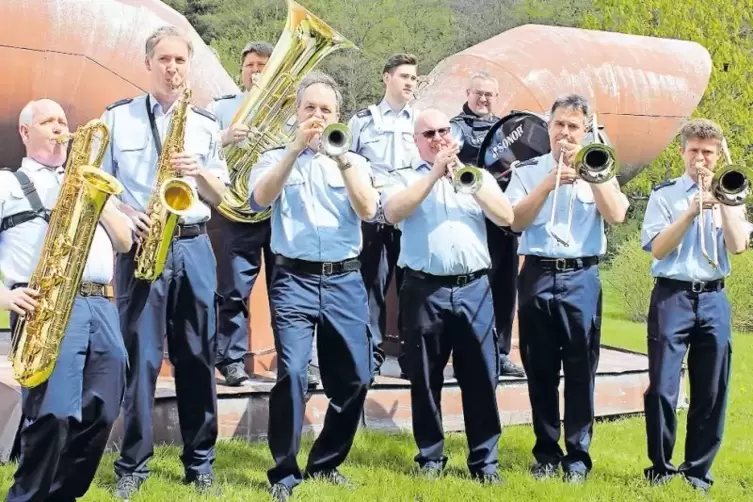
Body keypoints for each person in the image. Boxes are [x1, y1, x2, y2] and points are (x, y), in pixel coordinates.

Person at [98, 25, 229, 498]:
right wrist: (125, 213)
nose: (172, 68)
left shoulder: (207, 124)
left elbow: (223, 195)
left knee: (198, 357)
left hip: (193, 244)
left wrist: (200, 173)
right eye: (164, 60)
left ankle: (200, 464)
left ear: (188, 65)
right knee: (140, 360)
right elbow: (101, 187)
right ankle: (132, 465)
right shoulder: (118, 119)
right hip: (141, 246)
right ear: (149, 63)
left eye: (180, 61)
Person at [248, 71, 378, 501]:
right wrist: (292, 151)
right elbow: (261, 198)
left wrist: (340, 158)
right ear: (297, 112)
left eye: (326, 110)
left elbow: (368, 207)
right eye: (310, 108)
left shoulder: (354, 161)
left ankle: (325, 463)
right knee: (291, 373)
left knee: (356, 377)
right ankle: (285, 474)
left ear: (337, 115)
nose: (317, 116)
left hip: (344, 279)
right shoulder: (274, 155)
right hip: (293, 279)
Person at [0, 99, 131, 501]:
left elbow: (125, 241)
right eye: (47, 121)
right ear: (25, 132)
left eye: (62, 120)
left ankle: (61, 495)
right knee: (54, 414)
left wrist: (97, 194)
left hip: (100, 305)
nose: (59, 128)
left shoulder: (90, 181)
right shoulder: (6, 184)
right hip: (48, 305)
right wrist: (5, 296)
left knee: (104, 413)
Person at [381, 108, 513, 482]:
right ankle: (431, 459)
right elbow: (391, 213)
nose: (438, 138)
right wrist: (434, 176)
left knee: (482, 378)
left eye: (443, 131)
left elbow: (506, 218)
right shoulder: (403, 177)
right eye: (429, 134)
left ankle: (485, 463)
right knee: (425, 379)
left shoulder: (478, 175)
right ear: (416, 141)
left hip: (474, 289)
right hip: (424, 289)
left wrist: (469, 183)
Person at [505, 93, 629, 483]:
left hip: (581, 276)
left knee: (580, 370)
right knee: (539, 370)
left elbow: (617, 214)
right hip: (538, 273)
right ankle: (545, 453)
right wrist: (546, 184)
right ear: (548, 127)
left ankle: (577, 457)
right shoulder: (528, 169)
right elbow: (514, 222)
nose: (565, 133)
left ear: (586, 130)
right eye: (559, 125)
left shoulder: (600, 166)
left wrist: (593, 177)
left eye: (574, 127)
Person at [640, 118, 749, 493]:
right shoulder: (665, 194)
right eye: (694, 151)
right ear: (682, 152)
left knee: (712, 388)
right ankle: (661, 467)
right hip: (672, 294)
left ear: (717, 156)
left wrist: (724, 207)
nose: (700, 159)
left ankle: (697, 472)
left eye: (707, 152)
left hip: (715, 296)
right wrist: (689, 212)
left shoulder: (732, 193)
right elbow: (657, 248)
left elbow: (737, 246)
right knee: (662, 388)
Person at [347, 53, 420, 376]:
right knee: (371, 287)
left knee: (410, 287)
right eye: (404, 76)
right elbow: (348, 163)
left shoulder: (420, 122)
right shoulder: (362, 120)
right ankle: (370, 358)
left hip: (409, 214)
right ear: (386, 77)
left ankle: (409, 359)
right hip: (374, 215)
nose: (409, 83)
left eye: (414, 78)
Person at [450, 71, 525, 377]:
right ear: (467, 93)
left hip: (503, 218)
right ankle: (464, 352)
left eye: (489, 94)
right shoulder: (454, 128)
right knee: (468, 288)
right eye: (478, 93)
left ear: (497, 97)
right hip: (469, 220)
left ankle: (500, 352)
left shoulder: (508, 128)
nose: (483, 99)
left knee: (505, 287)